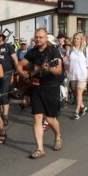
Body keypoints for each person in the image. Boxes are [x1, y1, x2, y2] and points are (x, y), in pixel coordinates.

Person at [16, 28, 63, 159]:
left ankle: (58, 136)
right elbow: (20, 65)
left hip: (51, 87)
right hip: (36, 87)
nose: (38, 39)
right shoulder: (32, 52)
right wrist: (23, 74)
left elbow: (59, 70)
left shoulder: (53, 51)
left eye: (41, 37)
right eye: (36, 37)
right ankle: (40, 148)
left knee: (50, 119)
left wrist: (50, 69)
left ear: (46, 38)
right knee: (36, 117)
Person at [0, 29, 18, 126]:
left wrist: (17, 70)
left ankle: (5, 116)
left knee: (4, 94)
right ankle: (1, 113)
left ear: (2, 37)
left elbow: (15, 59)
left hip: (7, 72)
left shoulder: (8, 46)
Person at [66, 32, 88, 120]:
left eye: (78, 38)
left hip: (82, 75)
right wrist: (67, 73)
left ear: (81, 40)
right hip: (73, 75)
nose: (76, 40)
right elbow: (67, 63)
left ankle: (76, 112)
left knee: (79, 92)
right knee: (75, 92)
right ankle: (82, 106)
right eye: (75, 38)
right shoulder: (70, 51)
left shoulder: (85, 51)